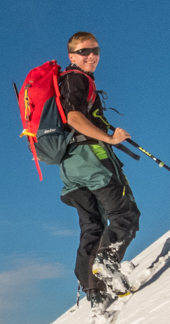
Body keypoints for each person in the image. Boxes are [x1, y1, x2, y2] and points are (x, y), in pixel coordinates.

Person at [58, 32, 140, 308]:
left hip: (70, 167)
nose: (91, 55)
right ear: (71, 56)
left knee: (92, 225)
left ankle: (94, 290)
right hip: (92, 159)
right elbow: (74, 117)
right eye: (84, 51)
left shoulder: (63, 83)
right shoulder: (75, 79)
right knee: (124, 215)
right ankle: (106, 261)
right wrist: (109, 139)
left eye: (95, 50)